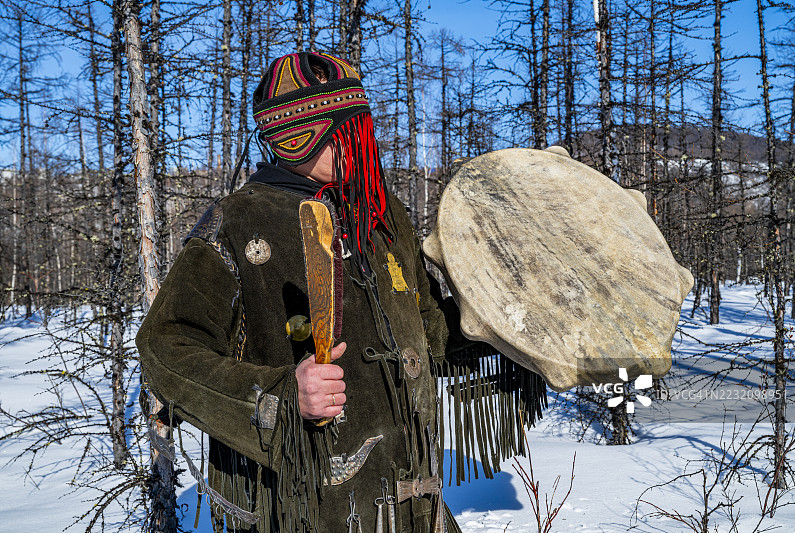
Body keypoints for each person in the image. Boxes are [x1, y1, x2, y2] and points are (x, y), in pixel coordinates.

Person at [137, 51, 545, 533]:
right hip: (302, 512)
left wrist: (515, 317)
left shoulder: (379, 213)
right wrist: (282, 398)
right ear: (300, 136)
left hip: (413, 508)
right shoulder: (238, 224)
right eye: (347, 130)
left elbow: (433, 337)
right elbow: (164, 349)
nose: (362, 143)